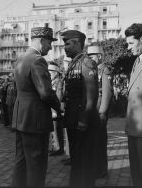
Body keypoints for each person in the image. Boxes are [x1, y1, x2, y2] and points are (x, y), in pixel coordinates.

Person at [12, 24, 62, 187]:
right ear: (41, 41)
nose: (50, 47)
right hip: (35, 120)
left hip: (21, 118)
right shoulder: (37, 60)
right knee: (37, 164)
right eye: (49, 43)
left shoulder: (21, 58)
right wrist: (59, 107)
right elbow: (46, 93)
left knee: (21, 161)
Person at [61, 30, 99, 187]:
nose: (64, 47)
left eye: (67, 44)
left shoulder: (87, 63)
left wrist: (83, 119)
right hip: (72, 119)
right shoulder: (74, 63)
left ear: (77, 43)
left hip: (82, 121)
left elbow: (91, 96)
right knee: (76, 159)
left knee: (84, 160)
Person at [124, 23, 142, 187]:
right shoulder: (137, 61)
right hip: (133, 127)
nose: (128, 47)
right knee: (136, 173)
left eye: (131, 43)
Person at [87, 45, 114, 178]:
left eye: (92, 56)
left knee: (100, 141)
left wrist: (102, 112)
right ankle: (96, 167)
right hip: (94, 111)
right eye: (89, 56)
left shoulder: (105, 70)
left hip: (99, 111)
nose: (90, 58)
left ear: (99, 56)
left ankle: (101, 170)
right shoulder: (95, 70)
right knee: (94, 140)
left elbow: (107, 93)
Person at [48, 61, 65, 156]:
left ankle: (58, 148)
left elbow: (58, 97)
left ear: (55, 72)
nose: (49, 73)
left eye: (50, 72)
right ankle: (54, 147)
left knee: (56, 129)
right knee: (52, 129)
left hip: (56, 110)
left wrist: (54, 110)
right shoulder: (51, 82)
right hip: (51, 109)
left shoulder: (59, 82)